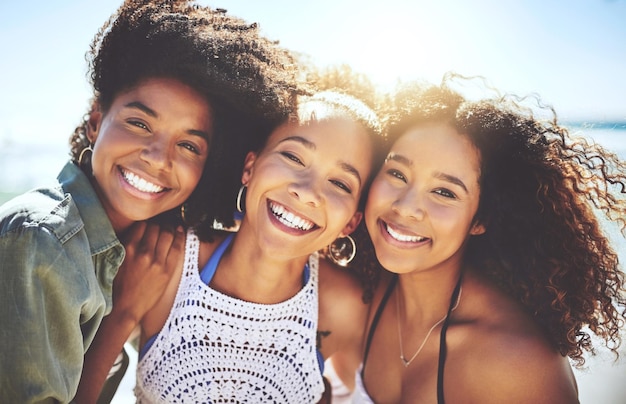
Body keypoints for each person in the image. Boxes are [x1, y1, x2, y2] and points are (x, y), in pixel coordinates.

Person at [0, 0, 299, 401]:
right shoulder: (43, 240)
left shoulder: (132, 248)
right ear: (95, 120)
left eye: (189, 145)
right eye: (140, 123)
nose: (159, 158)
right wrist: (122, 316)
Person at [338, 77, 626, 403]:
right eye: (397, 174)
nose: (406, 208)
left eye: (444, 192)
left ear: (480, 220)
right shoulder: (357, 289)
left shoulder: (518, 364)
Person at [118, 83, 386, 403]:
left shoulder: (346, 306)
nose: (307, 191)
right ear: (250, 167)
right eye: (293, 157)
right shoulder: (163, 262)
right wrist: (122, 313)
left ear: (352, 222)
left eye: (340, 183)